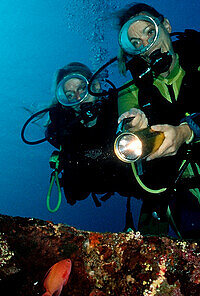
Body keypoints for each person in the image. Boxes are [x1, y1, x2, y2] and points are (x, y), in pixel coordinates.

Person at [114, 3, 200, 239]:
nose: (147, 45)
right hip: (181, 194)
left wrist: (184, 132)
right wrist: (133, 127)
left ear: (166, 26)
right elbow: (126, 120)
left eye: (150, 32)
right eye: (136, 43)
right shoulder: (129, 90)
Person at [44, 62, 134, 208]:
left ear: (95, 86)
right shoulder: (63, 130)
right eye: (70, 95)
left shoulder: (118, 109)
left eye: (82, 88)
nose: (79, 98)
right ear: (65, 101)